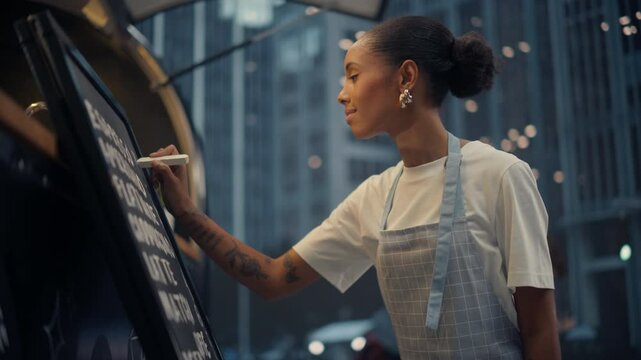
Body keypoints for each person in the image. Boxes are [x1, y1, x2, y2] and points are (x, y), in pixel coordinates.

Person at [150, 16, 560, 359]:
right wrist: (185, 212)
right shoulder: (374, 196)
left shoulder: (502, 174)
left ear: (406, 77)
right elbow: (273, 278)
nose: (341, 94)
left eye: (353, 75)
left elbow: (541, 333)